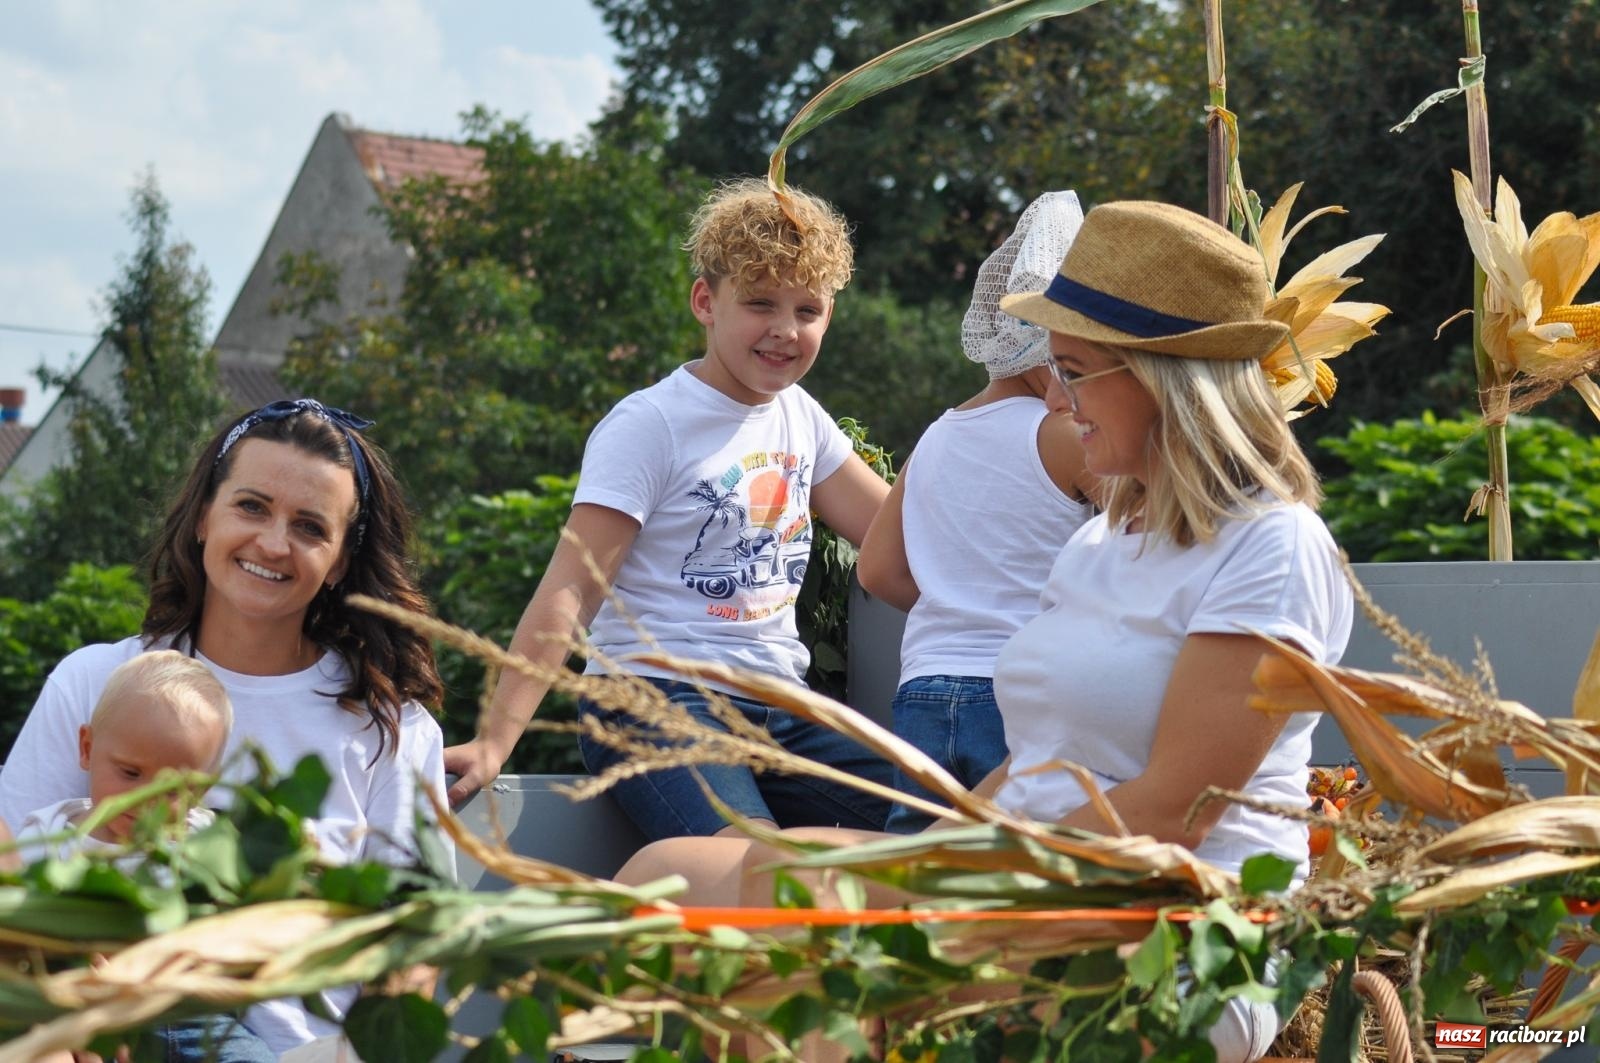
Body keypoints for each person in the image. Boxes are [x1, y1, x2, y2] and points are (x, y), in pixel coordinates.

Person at [616, 200, 1355, 1063]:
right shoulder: (1101, 540)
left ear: (1161, 378)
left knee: (810, 901)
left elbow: (1174, 813)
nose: (1059, 398)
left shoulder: (1270, 545)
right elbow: (1031, 759)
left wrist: (944, 882)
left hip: (1171, 925)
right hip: (1034, 877)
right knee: (657, 882)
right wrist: (942, 852)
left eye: (1073, 371)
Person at [442, 178, 894, 839]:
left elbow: (897, 535)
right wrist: (495, 738)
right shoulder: (651, 424)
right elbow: (573, 588)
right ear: (705, 301)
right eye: (760, 302)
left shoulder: (803, 418)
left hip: (780, 711)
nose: (785, 329)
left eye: (808, 310)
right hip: (654, 698)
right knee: (753, 857)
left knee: (936, 826)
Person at [0, 398, 450, 1060]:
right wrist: (68, 990)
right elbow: (13, 881)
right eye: (252, 506)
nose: (273, 543)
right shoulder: (97, 679)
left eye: (309, 526)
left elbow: (412, 947)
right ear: (204, 515)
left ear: (339, 561)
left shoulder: (392, 729)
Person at [857, 190, 1096, 833]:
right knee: (1017, 861)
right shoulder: (1070, 436)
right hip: (1023, 692)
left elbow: (876, 571)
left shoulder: (936, 437)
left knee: (919, 864)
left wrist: (959, 602)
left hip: (923, 689)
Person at [12, 650, 230, 863]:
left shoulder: (209, 845)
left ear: (203, 788)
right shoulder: (47, 837)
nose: (146, 800)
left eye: (171, 789)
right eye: (131, 773)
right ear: (87, 749)